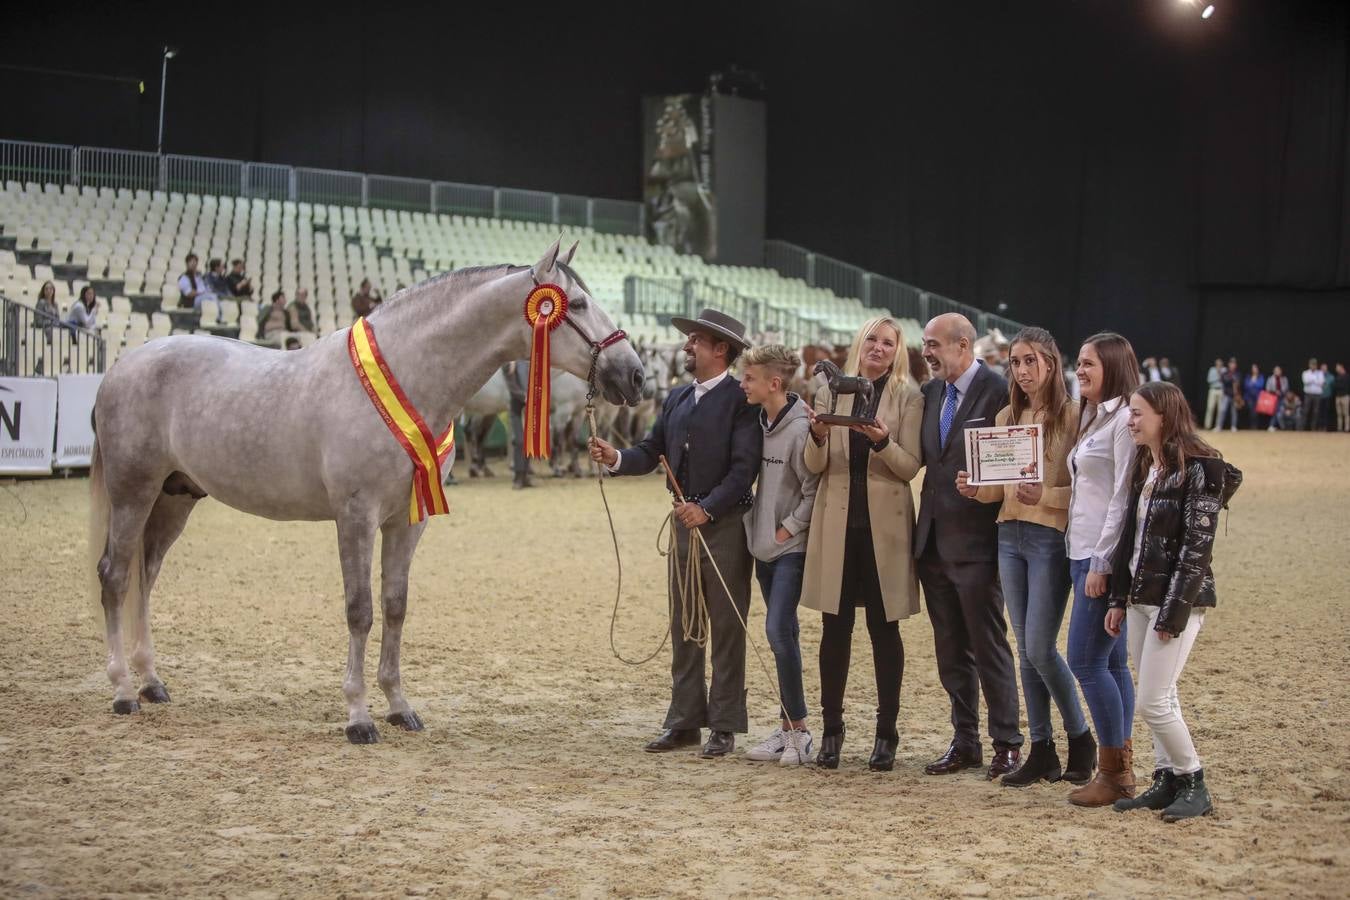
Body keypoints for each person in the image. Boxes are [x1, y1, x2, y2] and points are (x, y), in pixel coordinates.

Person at [589, 308, 761, 758]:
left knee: (725, 627)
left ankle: (724, 724)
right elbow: (651, 450)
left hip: (724, 528)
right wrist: (616, 459)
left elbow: (744, 471)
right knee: (685, 625)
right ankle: (684, 720)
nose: (687, 346)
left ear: (720, 349)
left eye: (696, 341)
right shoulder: (678, 398)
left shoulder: (743, 401)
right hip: (685, 526)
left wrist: (705, 509)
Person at [956, 327, 1094, 787]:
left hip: (1050, 538)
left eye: (1031, 361)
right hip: (1008, 536)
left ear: (1051, 364)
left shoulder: (1075, 417)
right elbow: (1000, 489)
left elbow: (1088, 492)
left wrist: (1047, 495)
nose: (1022, 370)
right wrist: (977, 491)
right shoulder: (1006, 416)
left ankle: (1080, 737)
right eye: (1015, 362)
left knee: (1038, 647)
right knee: (1026, 651)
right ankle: (1042, 749)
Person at [1108, 381, 1241, 822]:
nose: (1131, 420)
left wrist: (1174, 611)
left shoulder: (1200, 468)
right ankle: (1166, 780)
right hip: (1140, 599)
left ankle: (1194, 779)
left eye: (1138, 413)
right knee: (1163, 695)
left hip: (1175, 603)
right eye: (1130, 412)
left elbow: (1195, 551)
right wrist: (1117, 598)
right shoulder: (1149, 465)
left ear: (1164, 415)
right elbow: (1133, 538)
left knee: (1153, 701)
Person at [801, 317, 923, 772]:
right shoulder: (829, 393)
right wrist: (815, 435)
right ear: (859, 343)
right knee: (834, 631)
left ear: (897, 351)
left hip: (884, 531)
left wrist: (882, 442)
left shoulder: (908, 397)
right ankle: (832, 731)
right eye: (872, 338)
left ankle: (886, 734)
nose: (878, 347)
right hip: (836, 526)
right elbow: (813, 465)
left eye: (887, 342)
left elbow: (910, 467)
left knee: (883, 631)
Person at [915, 313, 1023, 780]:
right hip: (933, 542)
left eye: (933, 344)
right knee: (950, 649)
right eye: (924, 344)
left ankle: (1008, 743)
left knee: (988, 644)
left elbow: (1017, 457)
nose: (927, 352)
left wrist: (985, 485)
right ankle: (965, 741)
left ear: (963, 345)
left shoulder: (999, 391)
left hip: (978, 542)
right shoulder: (931, 393)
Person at [1064, 332, 1141, 807]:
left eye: (1088, 363)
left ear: (1111, 365)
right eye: (1079, 362)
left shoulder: (1124, 418)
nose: (1080, 370)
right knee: (1112, 662)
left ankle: (1114, 773)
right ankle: (1122, 764)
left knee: (1085, 661)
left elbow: (1122, 497)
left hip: (1100, 555)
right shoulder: (1093, 413)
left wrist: (1103, 562)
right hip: (1080, 549)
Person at [739, 344, 819, 767]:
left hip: (790, 549)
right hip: (762, 549)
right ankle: (787, 728)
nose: (742, 384)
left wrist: (786, 528)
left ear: (774, 383)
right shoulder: (757, 421)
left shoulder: (802, 428)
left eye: (749, 378)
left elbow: (813, 490)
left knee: (777, 631)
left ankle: (801, 731)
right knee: (783, 633)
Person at [503, 359, 533, 490]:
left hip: (530, 409)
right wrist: (525, 397)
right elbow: (512, 388)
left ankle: (526, 475)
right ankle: (518, 477)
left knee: (529, 442)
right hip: (517, 410)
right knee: (519, 441)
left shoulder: (529, 363)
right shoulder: (508, 364)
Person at [203, 259, 231, 323]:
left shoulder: (222, 278)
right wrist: (225, 296)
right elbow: (211, 290)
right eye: (222, 266)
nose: (223, 268)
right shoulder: (207, 277)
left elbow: (227, 289)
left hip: (225, 298)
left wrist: (230, 297)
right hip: (217, 298)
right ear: (216, 268)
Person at [1301, 358, 1325, 431]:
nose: (1313, 366)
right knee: (1306, 411)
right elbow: (1306, 381)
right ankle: (1302, 427)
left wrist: (1312, 380)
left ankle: (1313, 428)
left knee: (1316, 412)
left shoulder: (1320, 373)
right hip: (1308, 394)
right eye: (1312, 364)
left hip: (1317, 395)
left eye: (1314, 364)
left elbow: (1321, 383)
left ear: (1316, 365)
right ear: (1309, 365)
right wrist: (1315, 380)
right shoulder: (1305, 373)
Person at [1216, 358, 1240, 432]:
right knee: (1222, 410)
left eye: (1234, 364)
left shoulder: (1237, 374)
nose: (1232, 365)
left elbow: (1238, 383)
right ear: (1229, 364)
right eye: (1231, 363)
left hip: (1234, 396)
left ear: (1236, 365)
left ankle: (1233, 426)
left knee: (1234, 412)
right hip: (1226, 394)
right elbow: (1222, 381)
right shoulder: (1225, 373)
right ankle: (1218, 426)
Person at [1265, 366, 1290, 431]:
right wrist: (1275, 391)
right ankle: (1272, 425)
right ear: (1274, 371)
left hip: (1282, 397)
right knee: (1275, 411)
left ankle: (1275, 426)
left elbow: (1286, 388)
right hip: (1273, 397)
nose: (1277, 372)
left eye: (1279, 370)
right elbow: (1267, 388)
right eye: (1276, 371)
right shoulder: (1270, 379)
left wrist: (1281, 391)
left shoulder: (1284, 379)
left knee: (1279, 412)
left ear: (1281, 371)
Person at [1203, 358, 1224, 430]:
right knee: (1210, 408)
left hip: (1221, 390)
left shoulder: (1224, 370)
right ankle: (1207, 426)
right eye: (1217, 363)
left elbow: (1225, 380)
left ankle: (1218, 426)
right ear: (1215, 363)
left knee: (1220, 409)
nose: (1219, 364)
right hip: (1213, 390)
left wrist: (1220, 374)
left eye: (1220, 363)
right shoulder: (1212, 370)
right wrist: (1218, 376)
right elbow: (1209, 380)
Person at [1242, 364, 1264, 430]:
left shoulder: (1260, 376)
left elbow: (1260, 385)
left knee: (1256, 412)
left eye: (1256, 368)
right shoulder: (1248, 377)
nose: (1254, 370)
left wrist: (1253, 383)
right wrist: (1253, 383)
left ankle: (1255, 426)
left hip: (1258, 397)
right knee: (1252, 411)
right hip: (1249, 397)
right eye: (1253, 368)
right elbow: (1246, 386)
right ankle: (1252, 426)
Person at [1334, 363, 1350, 433]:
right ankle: (1339, 428)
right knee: (1339, 414)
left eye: (1337, 367)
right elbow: (1335, 386)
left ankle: (1346, 428)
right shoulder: (1337, 377)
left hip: (1345, 397)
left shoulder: (1347, 376)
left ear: (1341, 368)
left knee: (1346, 413)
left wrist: (1339, 386)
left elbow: (1343, 386)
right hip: (1338, 397)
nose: (1336, 369)